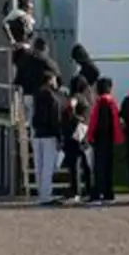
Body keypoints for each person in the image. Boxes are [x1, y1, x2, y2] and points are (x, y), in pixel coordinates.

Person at [87, 76, 123, 205]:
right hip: (109, 138)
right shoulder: (111, 102)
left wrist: (94, 137)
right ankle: (108, 193)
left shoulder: (102, 102)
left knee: (99, 167)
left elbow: (101, 123)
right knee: (107, 166)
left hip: (101, 139)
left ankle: (98, 193)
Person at [31, 71, 63, 206]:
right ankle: (46, 195)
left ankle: (41, 194)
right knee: (48, 167)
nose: (56, 82)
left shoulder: (37, 94)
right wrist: (59, 136)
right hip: (49, 135)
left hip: (38, 134)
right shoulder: (53, 97)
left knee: (39, 165)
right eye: (54, 80)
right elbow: (55, 119)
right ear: (50, 80)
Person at [60, 75, 92, 202]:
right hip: (78, 133)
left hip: (73, 133)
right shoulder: (78, 97)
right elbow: (70, 107)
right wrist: (77, 118)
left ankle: (75, 191)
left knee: (74, 164)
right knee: (84, 163)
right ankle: (85, 190)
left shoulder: (74, 96)